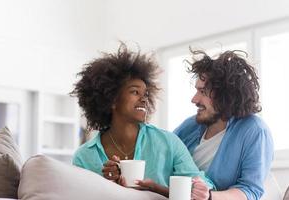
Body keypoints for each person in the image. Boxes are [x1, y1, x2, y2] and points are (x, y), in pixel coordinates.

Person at [71, 43, 214, 199]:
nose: (144, 99)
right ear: (111, 99)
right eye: (135, 92)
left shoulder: (168, 143)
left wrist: (158, 189)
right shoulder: (84, 157)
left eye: (145, 94)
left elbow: (202, 188)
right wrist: (107, 186)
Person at [174, 49, 274, 200]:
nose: (194, 99)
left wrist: (209, 196)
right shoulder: (190, 126)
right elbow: (165, 154)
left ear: (226, 95)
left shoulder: (255, 130)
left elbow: (250, 190)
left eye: (203, 91)